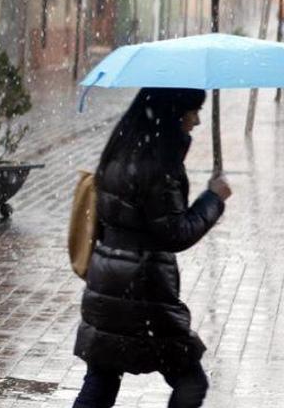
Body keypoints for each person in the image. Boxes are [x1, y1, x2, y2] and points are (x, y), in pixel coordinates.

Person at [72, 88, 232, 408]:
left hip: (106, 282)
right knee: (191, 381)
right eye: (192, 110)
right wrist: (213, 198)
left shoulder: (119, 152)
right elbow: (175, 233)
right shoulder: (160, 167)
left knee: (101, 382)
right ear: (172, 113)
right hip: (144, 293)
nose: (197, 120)